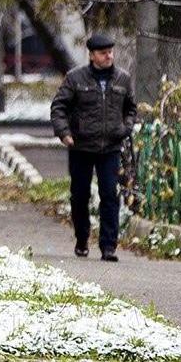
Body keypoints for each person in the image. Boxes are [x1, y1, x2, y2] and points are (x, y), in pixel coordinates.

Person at [50, 32, 137, 262]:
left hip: (110, 147)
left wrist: (125, 128)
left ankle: (108, 246)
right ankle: (82, 237)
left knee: (110, 194)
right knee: (80, 195)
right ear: (91, 55)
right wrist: (65, 133)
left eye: (110, 52)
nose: (108, 56)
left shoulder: (122, 79)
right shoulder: (75, 79)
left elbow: (131, 108)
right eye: (103, 53)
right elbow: (59, 107)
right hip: (81, 146)